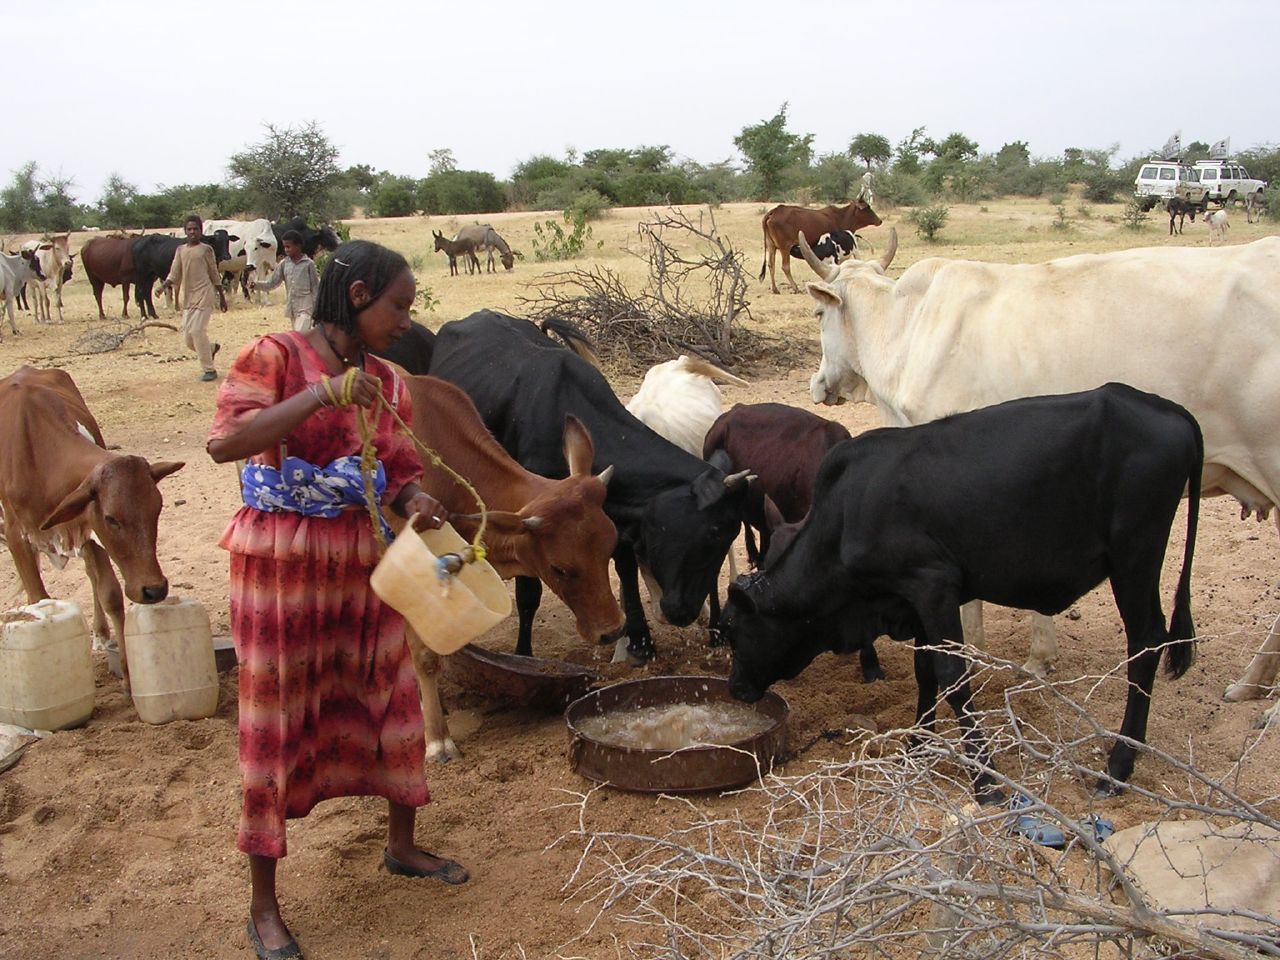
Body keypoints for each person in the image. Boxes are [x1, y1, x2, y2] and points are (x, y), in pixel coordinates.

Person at [207, 240, 465, 960]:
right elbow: (225, 443)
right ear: (357, 297)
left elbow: (401, 474)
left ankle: (401, 846)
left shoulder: (388, 380)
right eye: (399, 307)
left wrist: (416, 502)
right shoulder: (276, 356)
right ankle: (264, 905)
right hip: (280, 566)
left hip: (364, 561)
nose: (405, 323)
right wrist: (320, 394)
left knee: (392, 697)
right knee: (275, 724)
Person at [162, 214, 228, 381]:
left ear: (201, 230)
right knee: (189, 339)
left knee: (198, 331)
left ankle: (209, 370)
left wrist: (221, 296)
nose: (192, 232)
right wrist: (164, 285)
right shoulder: (181, 250)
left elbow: (214, 272)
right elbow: (175, 271)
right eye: (189, 229)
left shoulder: (206, 249)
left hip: (205, 293)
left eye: (195, 229)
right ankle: (211, 349)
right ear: (185, 231)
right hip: (189, 296)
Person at [251, 230, 320, 332]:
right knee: (300, 339)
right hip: (293, 308)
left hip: (306, 309)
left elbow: (315, 288)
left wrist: (317, 309)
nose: (286, 250)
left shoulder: (308, 264)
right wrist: (256, 285)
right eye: (284, 247)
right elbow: (272, 283)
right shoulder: (284, 264)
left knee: (299, 336)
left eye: (288, 247)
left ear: (298, 246)